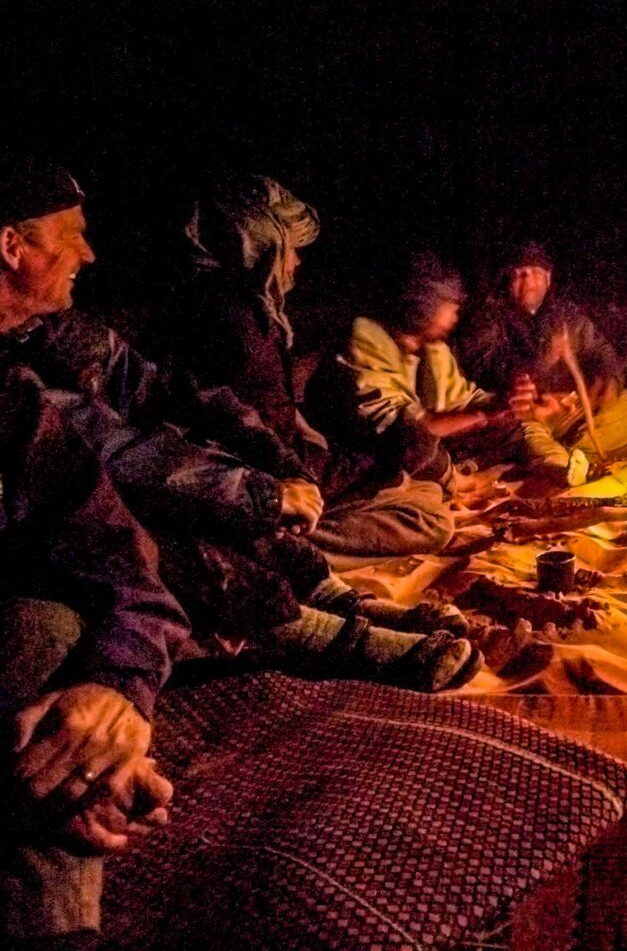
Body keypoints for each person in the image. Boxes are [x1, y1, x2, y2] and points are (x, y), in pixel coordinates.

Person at [0, 158, 482, 692]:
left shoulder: (47, 330)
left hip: (126, 501)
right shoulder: (226, 317)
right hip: (50, 537)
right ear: (12, 247)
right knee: (150, 536)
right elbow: (102, 449)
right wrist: (268, 492)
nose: (88, 255)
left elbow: (176, 393)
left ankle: (333, 605)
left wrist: (276, 469)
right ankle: (324, 635)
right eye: (72, 238)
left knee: (200, 494)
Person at [171, 175, 457, 565]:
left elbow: (284, 422)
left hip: (293, 469)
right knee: (430, 517)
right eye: (291, 249)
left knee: (422, 492)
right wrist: (365, 467)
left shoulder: (239, 311)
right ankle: (287, 552)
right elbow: (264, 445)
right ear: (261, 245)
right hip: (261, 490)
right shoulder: (234, 325)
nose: (297, 261)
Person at [1, 366, 188, 947]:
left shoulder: (12, 400)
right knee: (41, 630)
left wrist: (114, 696)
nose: (84, 265)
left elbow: (117, 557)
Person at [305, 251, 536, 484]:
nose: (456, 315)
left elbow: (463, 400)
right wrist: (485, 414)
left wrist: (508, 401)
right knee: (427, 461)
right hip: (359, 465)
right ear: (425, 303)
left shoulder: (433, 349)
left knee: (513, 431)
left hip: (417, 448)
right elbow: (408, 433)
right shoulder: (365, 339)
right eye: (451, 305)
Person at [459, 241, 627, 481]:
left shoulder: (566, 315)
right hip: (528, 417)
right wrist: (545, 362)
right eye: (520, 275)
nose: (529, 282)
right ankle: (560, 466)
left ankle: (575, 449)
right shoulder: (491, 319)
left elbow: (600, 350)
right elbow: (487, 368)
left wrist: (610, 380)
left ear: (548, 278)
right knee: (523, 433)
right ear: (508, 281)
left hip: (569, 414)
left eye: (536, 273)